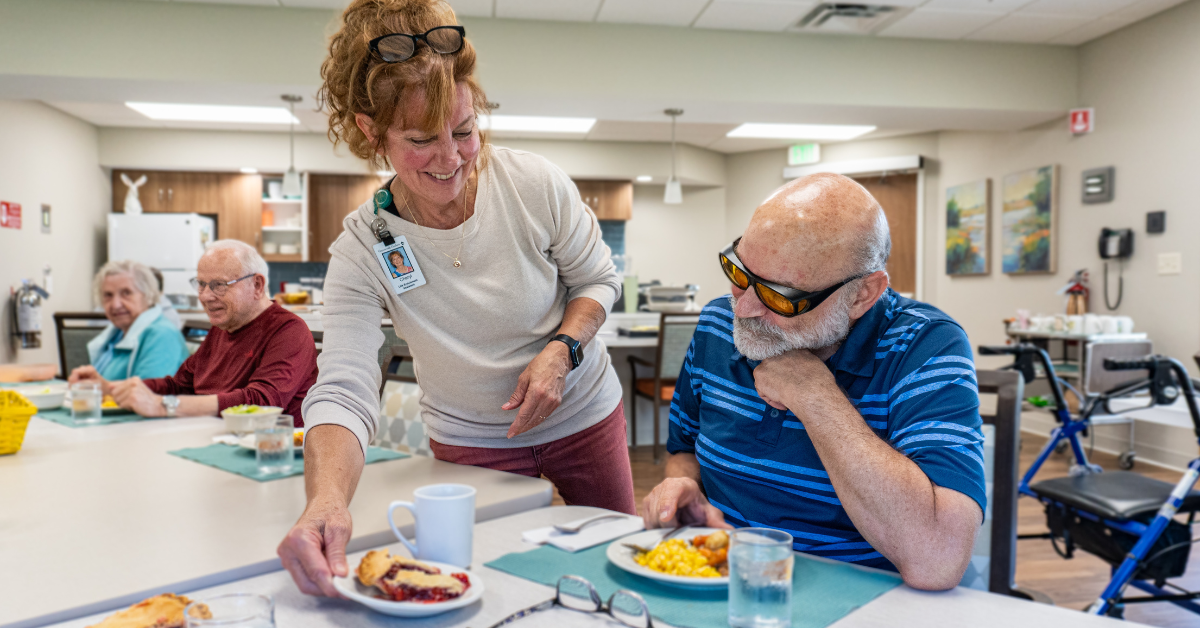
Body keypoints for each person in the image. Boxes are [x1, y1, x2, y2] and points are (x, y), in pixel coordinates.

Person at [278, 0, 632, 598]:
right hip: (471, 441)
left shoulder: (533, 184)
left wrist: (562, 350)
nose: (452, 159)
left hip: (583, 415)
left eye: (464, 131)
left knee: (618, 557)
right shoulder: (366, 245)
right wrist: (327, 501)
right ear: (371, 131)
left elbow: (598, 279)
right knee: (481, 582)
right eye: (421, 140)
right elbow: (343, 386)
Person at [641, 173, 986, 591]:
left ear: (862, 295)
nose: (744, 308)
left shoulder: (926, 345)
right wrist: (685, 484)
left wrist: (815, 395)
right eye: (738, 270)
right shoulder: (717, 323)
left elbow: (937, 561)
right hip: (726, 584)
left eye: (779, 296)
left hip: (863, 598)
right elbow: (685, 449)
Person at [71, 240, 318, 424]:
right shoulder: (222, 327)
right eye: (200, 284)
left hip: (268, 453)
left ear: (257, 285)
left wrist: (163, 406)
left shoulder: (289, 331)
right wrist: (110, 388)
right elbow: (178, 385)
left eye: (218, 285)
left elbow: (261, 403)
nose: (205, 296)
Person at [68, 260, 189, 383]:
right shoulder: (118, 334)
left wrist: (100, 388)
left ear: (148, 295)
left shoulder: (162, 335)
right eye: (108, 295)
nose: (115, 305)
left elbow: (148, 396)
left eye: (126, 293)